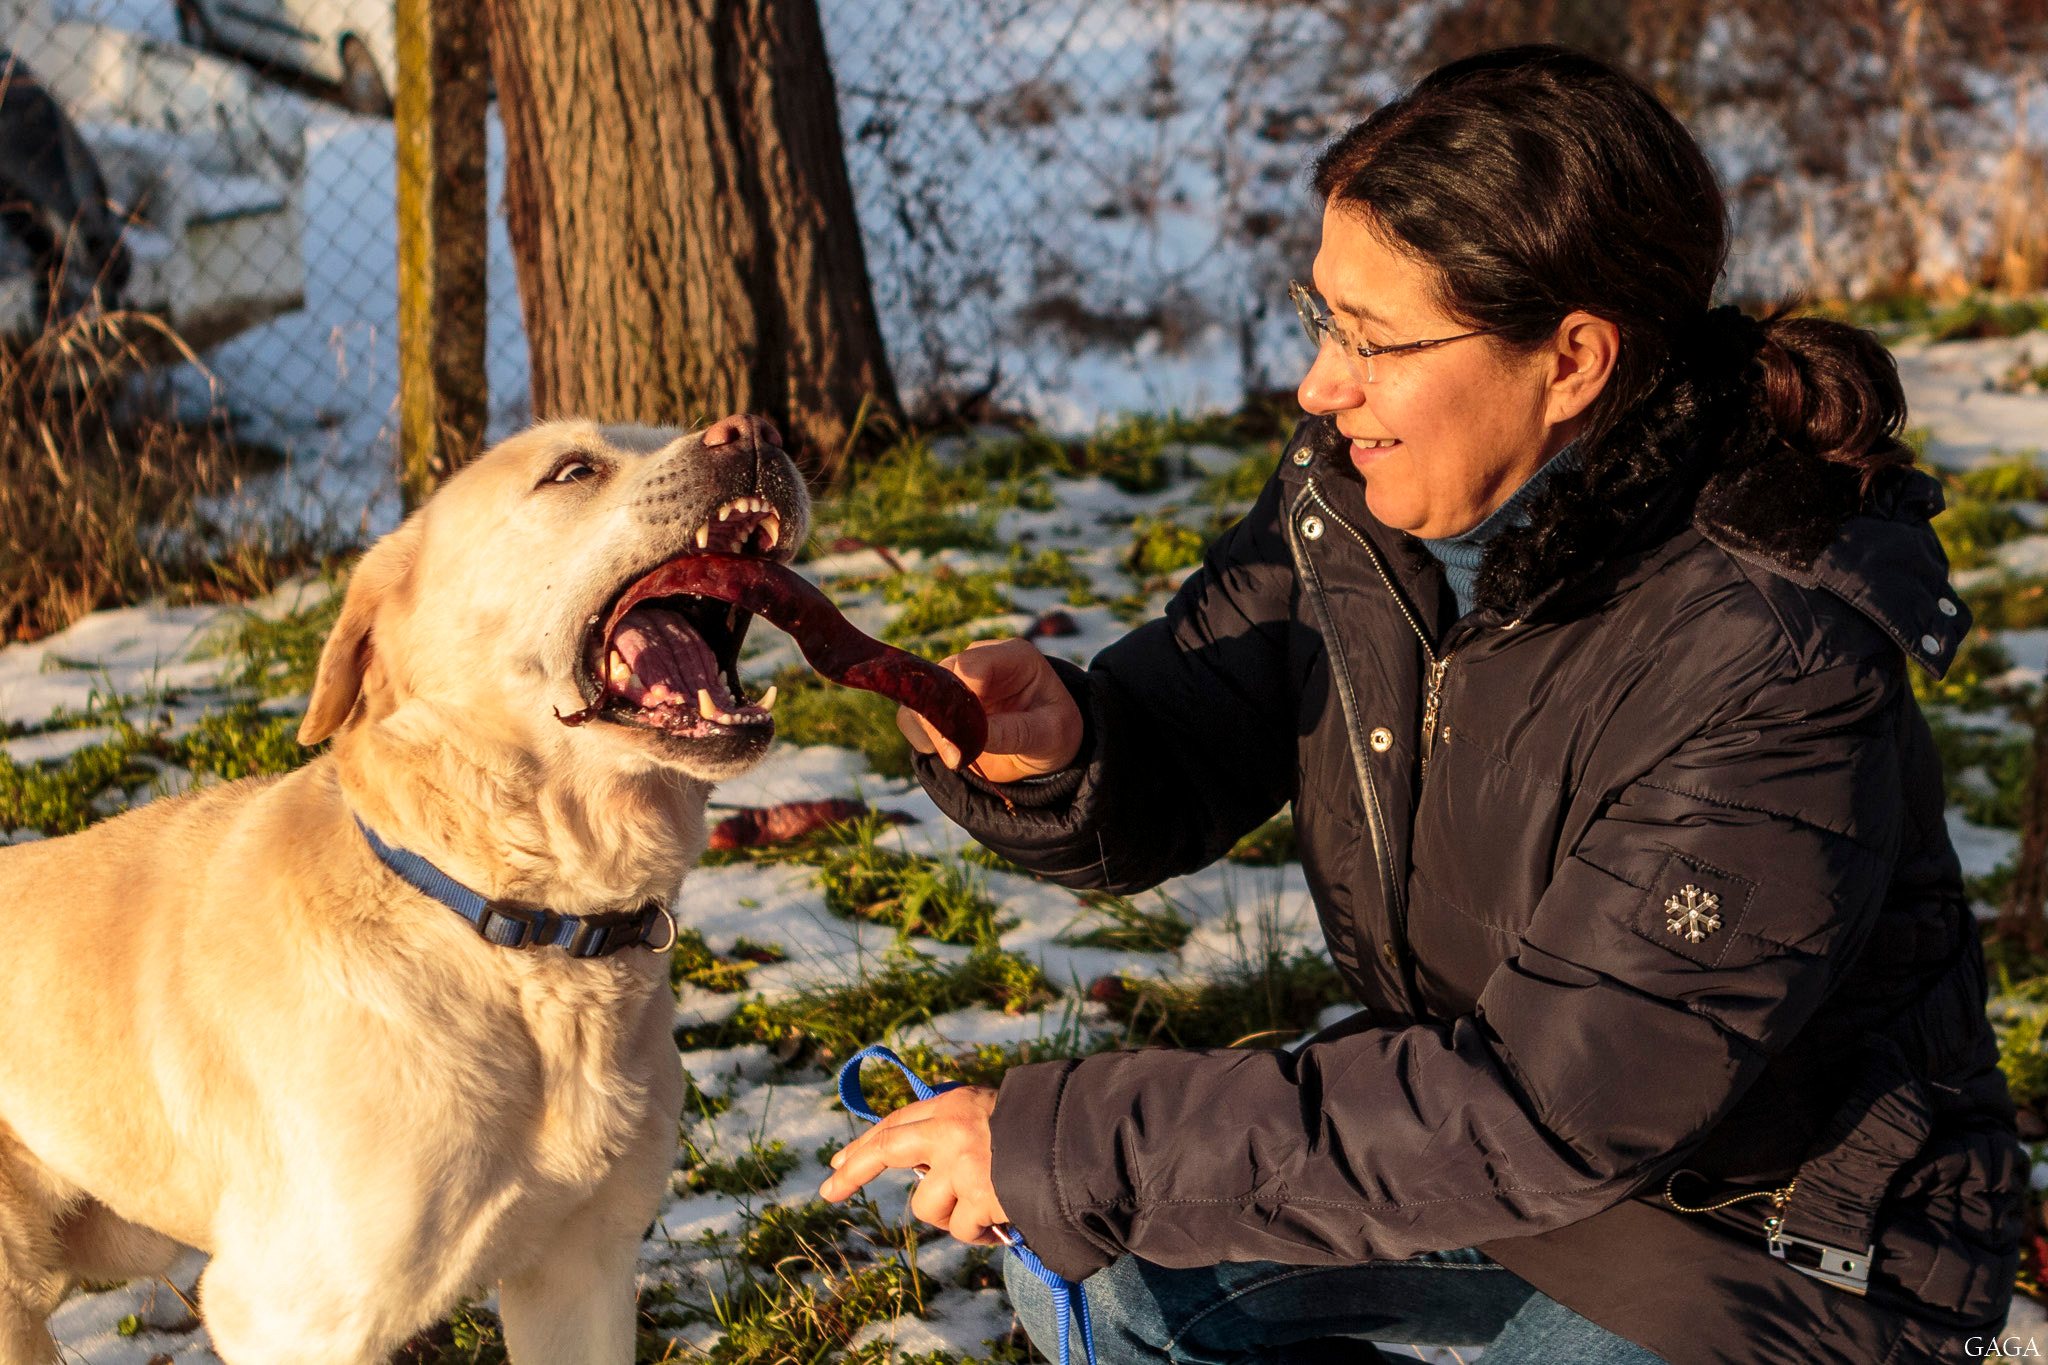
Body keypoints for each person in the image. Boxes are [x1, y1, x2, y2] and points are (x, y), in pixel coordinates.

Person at [818, 44, 2024, 1365]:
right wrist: (1062, 746)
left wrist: (1073, 1137)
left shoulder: (1770, 657)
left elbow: (1544, 1109)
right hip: (1480, 1143)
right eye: (1323, 316)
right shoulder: (1358, 496)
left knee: (1102, 1181)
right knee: (1123, 1273)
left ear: (1570, 360)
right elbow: (1197, 719)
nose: (1322, 385)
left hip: (1771, 1242)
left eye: (1377, 340)